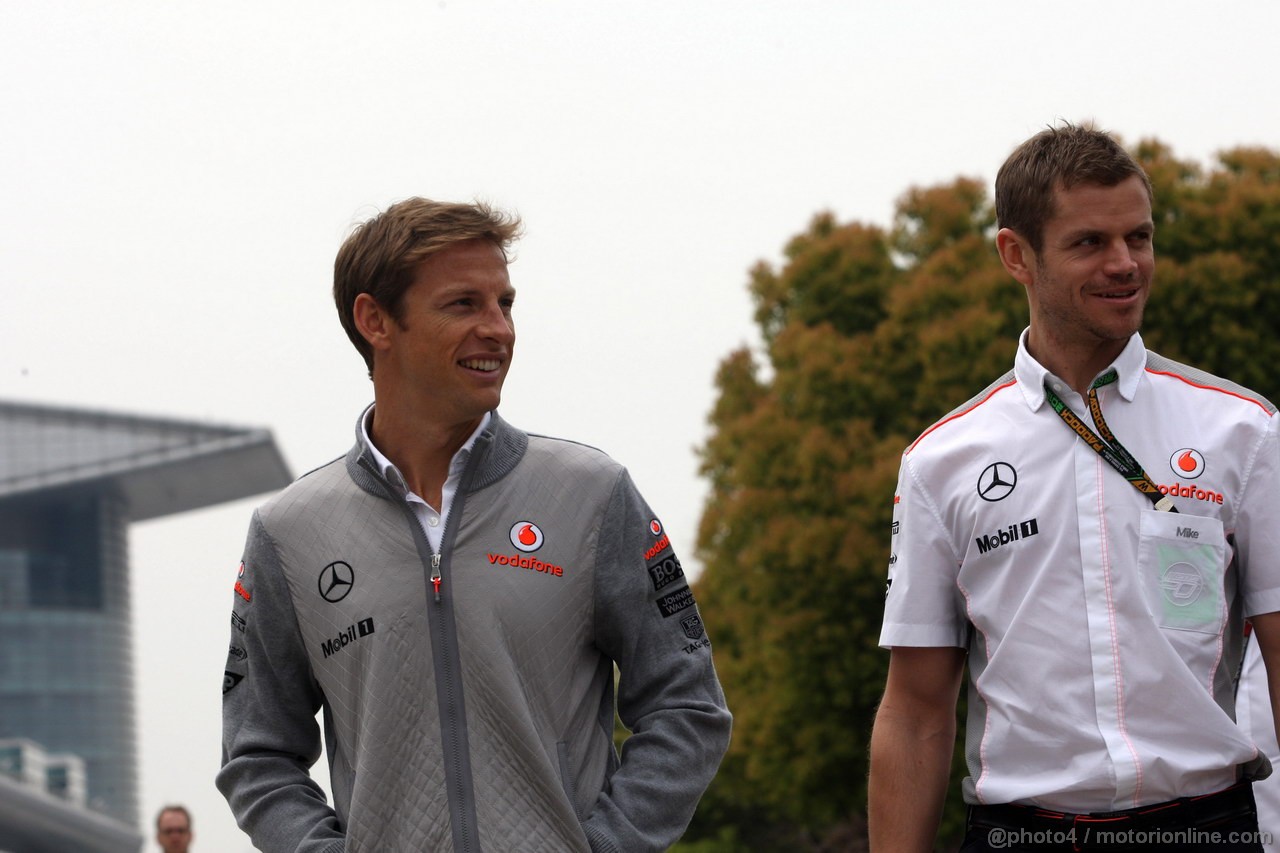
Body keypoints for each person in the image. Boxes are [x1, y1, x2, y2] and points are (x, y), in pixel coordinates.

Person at [216, 197, 731, 853]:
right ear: (376, 320)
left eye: (505, 303)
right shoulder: (288, 532)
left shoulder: (592, 493)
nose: (500, 329)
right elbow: (256, 754)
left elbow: (687, 705)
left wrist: (603, 846)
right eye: (464, 304)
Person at [868, 124, 1280, 852]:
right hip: (1021, 832)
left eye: (1140, 237)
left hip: (1204, 826)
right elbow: (916, 711)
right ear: (1015, 255)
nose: (1125, 264)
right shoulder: (942, 460)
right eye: (1090, 242)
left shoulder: (1243, 429)